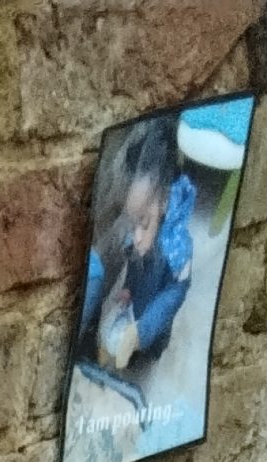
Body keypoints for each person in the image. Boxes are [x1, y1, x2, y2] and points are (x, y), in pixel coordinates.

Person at [78, 117, 194, 375]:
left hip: (152, 323)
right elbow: (133, 263)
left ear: (164, 203)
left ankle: (146, 350)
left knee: (145, 352)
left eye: (144, 223)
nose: (136, 237)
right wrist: (128, 288)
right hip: (135, 306)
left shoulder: (179, 250)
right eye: (132, 224)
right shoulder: (136, 235)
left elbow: (173, 295)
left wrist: (142, 332)